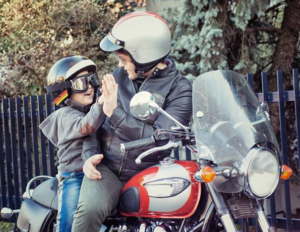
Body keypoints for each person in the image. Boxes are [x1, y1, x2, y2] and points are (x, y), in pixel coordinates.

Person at [72, 12, 193, 232]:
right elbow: (94, 124)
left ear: (144, 57)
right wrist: (88, 157)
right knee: (88, 211)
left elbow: (159, 139)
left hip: (147, 170)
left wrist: (115, 113)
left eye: (124, 60)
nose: (120, 65)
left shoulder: (180, 89)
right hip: (107, 169)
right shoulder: (118, 77)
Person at [40, 56, 112, 232]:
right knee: (71, 222)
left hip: (96, 174)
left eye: (92, 80)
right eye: (81, 84)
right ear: (64, 91)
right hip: (74, 176)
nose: (90, 88)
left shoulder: (91, 110)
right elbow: (86, 126)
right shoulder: (65, 114)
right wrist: (101, 103)